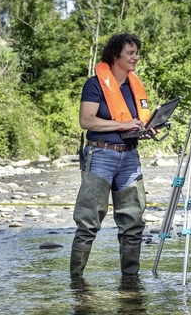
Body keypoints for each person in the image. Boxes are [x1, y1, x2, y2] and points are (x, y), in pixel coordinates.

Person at [70, 33, 153, 278]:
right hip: (101, 155)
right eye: (130, 53)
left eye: (137, 52)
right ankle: (76, 283)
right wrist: (121, 125)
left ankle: (131, 283)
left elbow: (134, 122)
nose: (135, 57)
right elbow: (86, 121)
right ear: (115, 55)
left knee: (133, 223)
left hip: (129, 158)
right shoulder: (94, 84)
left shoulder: (134, 86)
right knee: (88, 222)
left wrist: (146, 129)